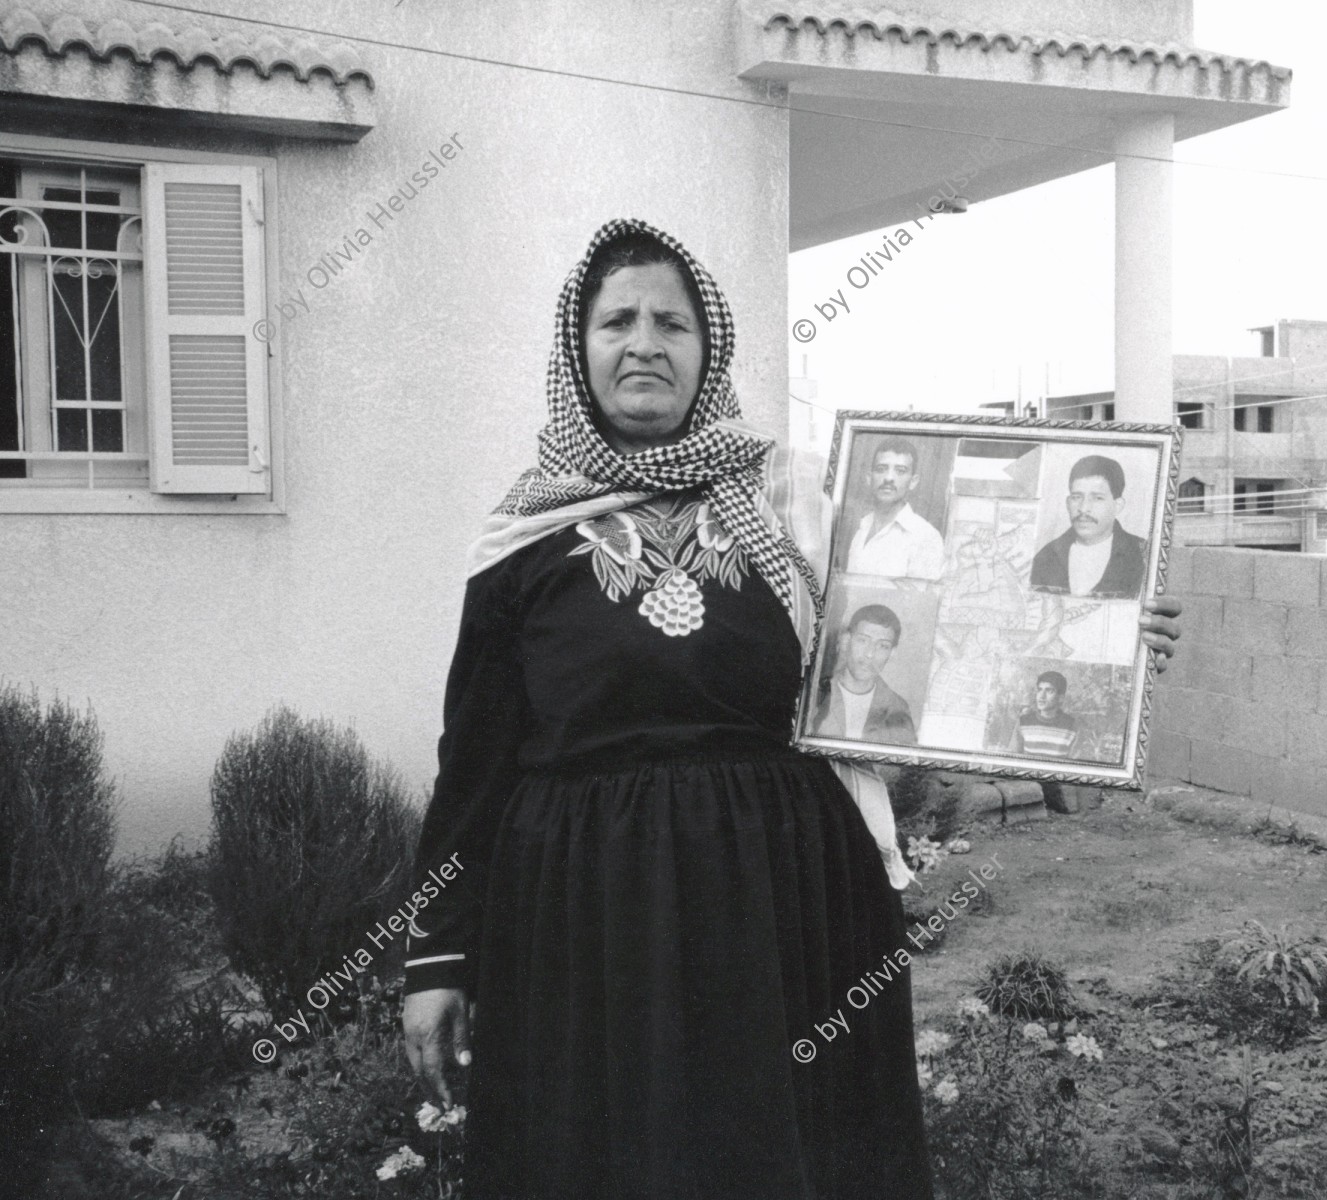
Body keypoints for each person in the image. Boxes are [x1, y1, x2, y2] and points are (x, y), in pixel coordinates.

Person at [400, 219, 1182, 1199]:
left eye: (672, 324)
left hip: (786, 908)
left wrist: (1108, 640)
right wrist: (436, 957)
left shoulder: (800, 506)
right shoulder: (522, 539)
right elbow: (472, 767)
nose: (645, 341)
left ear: (708, 349)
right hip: (585, 925)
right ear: (577, 349)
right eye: (618, 321)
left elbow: (959, 648)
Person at [1029, 454, 1148, 598]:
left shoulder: (1144, 555)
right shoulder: (1045, 557)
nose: (1084, 508)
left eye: (1097, 498)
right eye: (1077, 497)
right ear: (1068, 503)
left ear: (1118, 506)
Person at [810, 603, 917, 744]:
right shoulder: (816, 694)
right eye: (863, 640)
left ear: (892, 653)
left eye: (883, 646)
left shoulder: (897, 708)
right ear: (846, 640)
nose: (870, 654)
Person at [844, 438, 945, 579]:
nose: (889, 478)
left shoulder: (925, 537)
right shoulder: (862, 527)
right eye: (881, 469)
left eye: (900, 471)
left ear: (913, 482)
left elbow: (921, 600)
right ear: (869, 478)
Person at [1007, 670, 1078, 758]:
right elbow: (1011, 759)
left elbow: (1077, 767)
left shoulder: (1072, 726)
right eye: (1039, 690)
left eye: (1049, 691)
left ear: (1061, 698)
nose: (1041, 696)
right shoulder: (1023, 722)